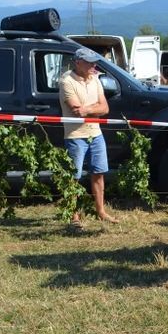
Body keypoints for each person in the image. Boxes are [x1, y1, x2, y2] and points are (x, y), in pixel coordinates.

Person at [60, 47, 119, 225]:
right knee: (74, 177)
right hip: (75, 135)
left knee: (99, 173)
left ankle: (101, 211)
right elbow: (77, 111)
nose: (93, 65)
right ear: (77, 62)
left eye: (94, 61)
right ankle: (74, 215)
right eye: (89, 62)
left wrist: (88, 109)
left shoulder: (95, 79)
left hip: (96, 133)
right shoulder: (66, 81)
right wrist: (93, 108)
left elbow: (105, 108)